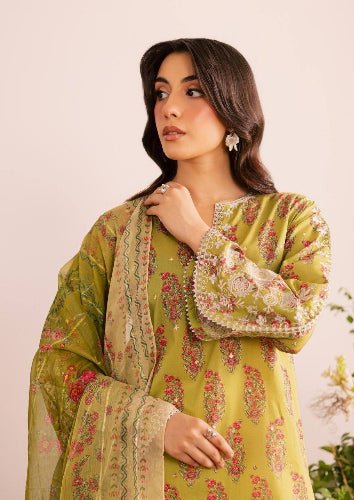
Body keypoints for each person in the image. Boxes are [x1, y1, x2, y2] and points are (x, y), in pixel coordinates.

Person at [26, 38, 332, 499]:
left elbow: (297, 319)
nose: (169, 108)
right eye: (160, 92)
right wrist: (153, 423)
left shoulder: (292, 218)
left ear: (233, 105)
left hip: (263, 475)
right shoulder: (117, 231)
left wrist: (199, 236)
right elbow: (59, 361)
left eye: (192, 91)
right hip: (149, 476)